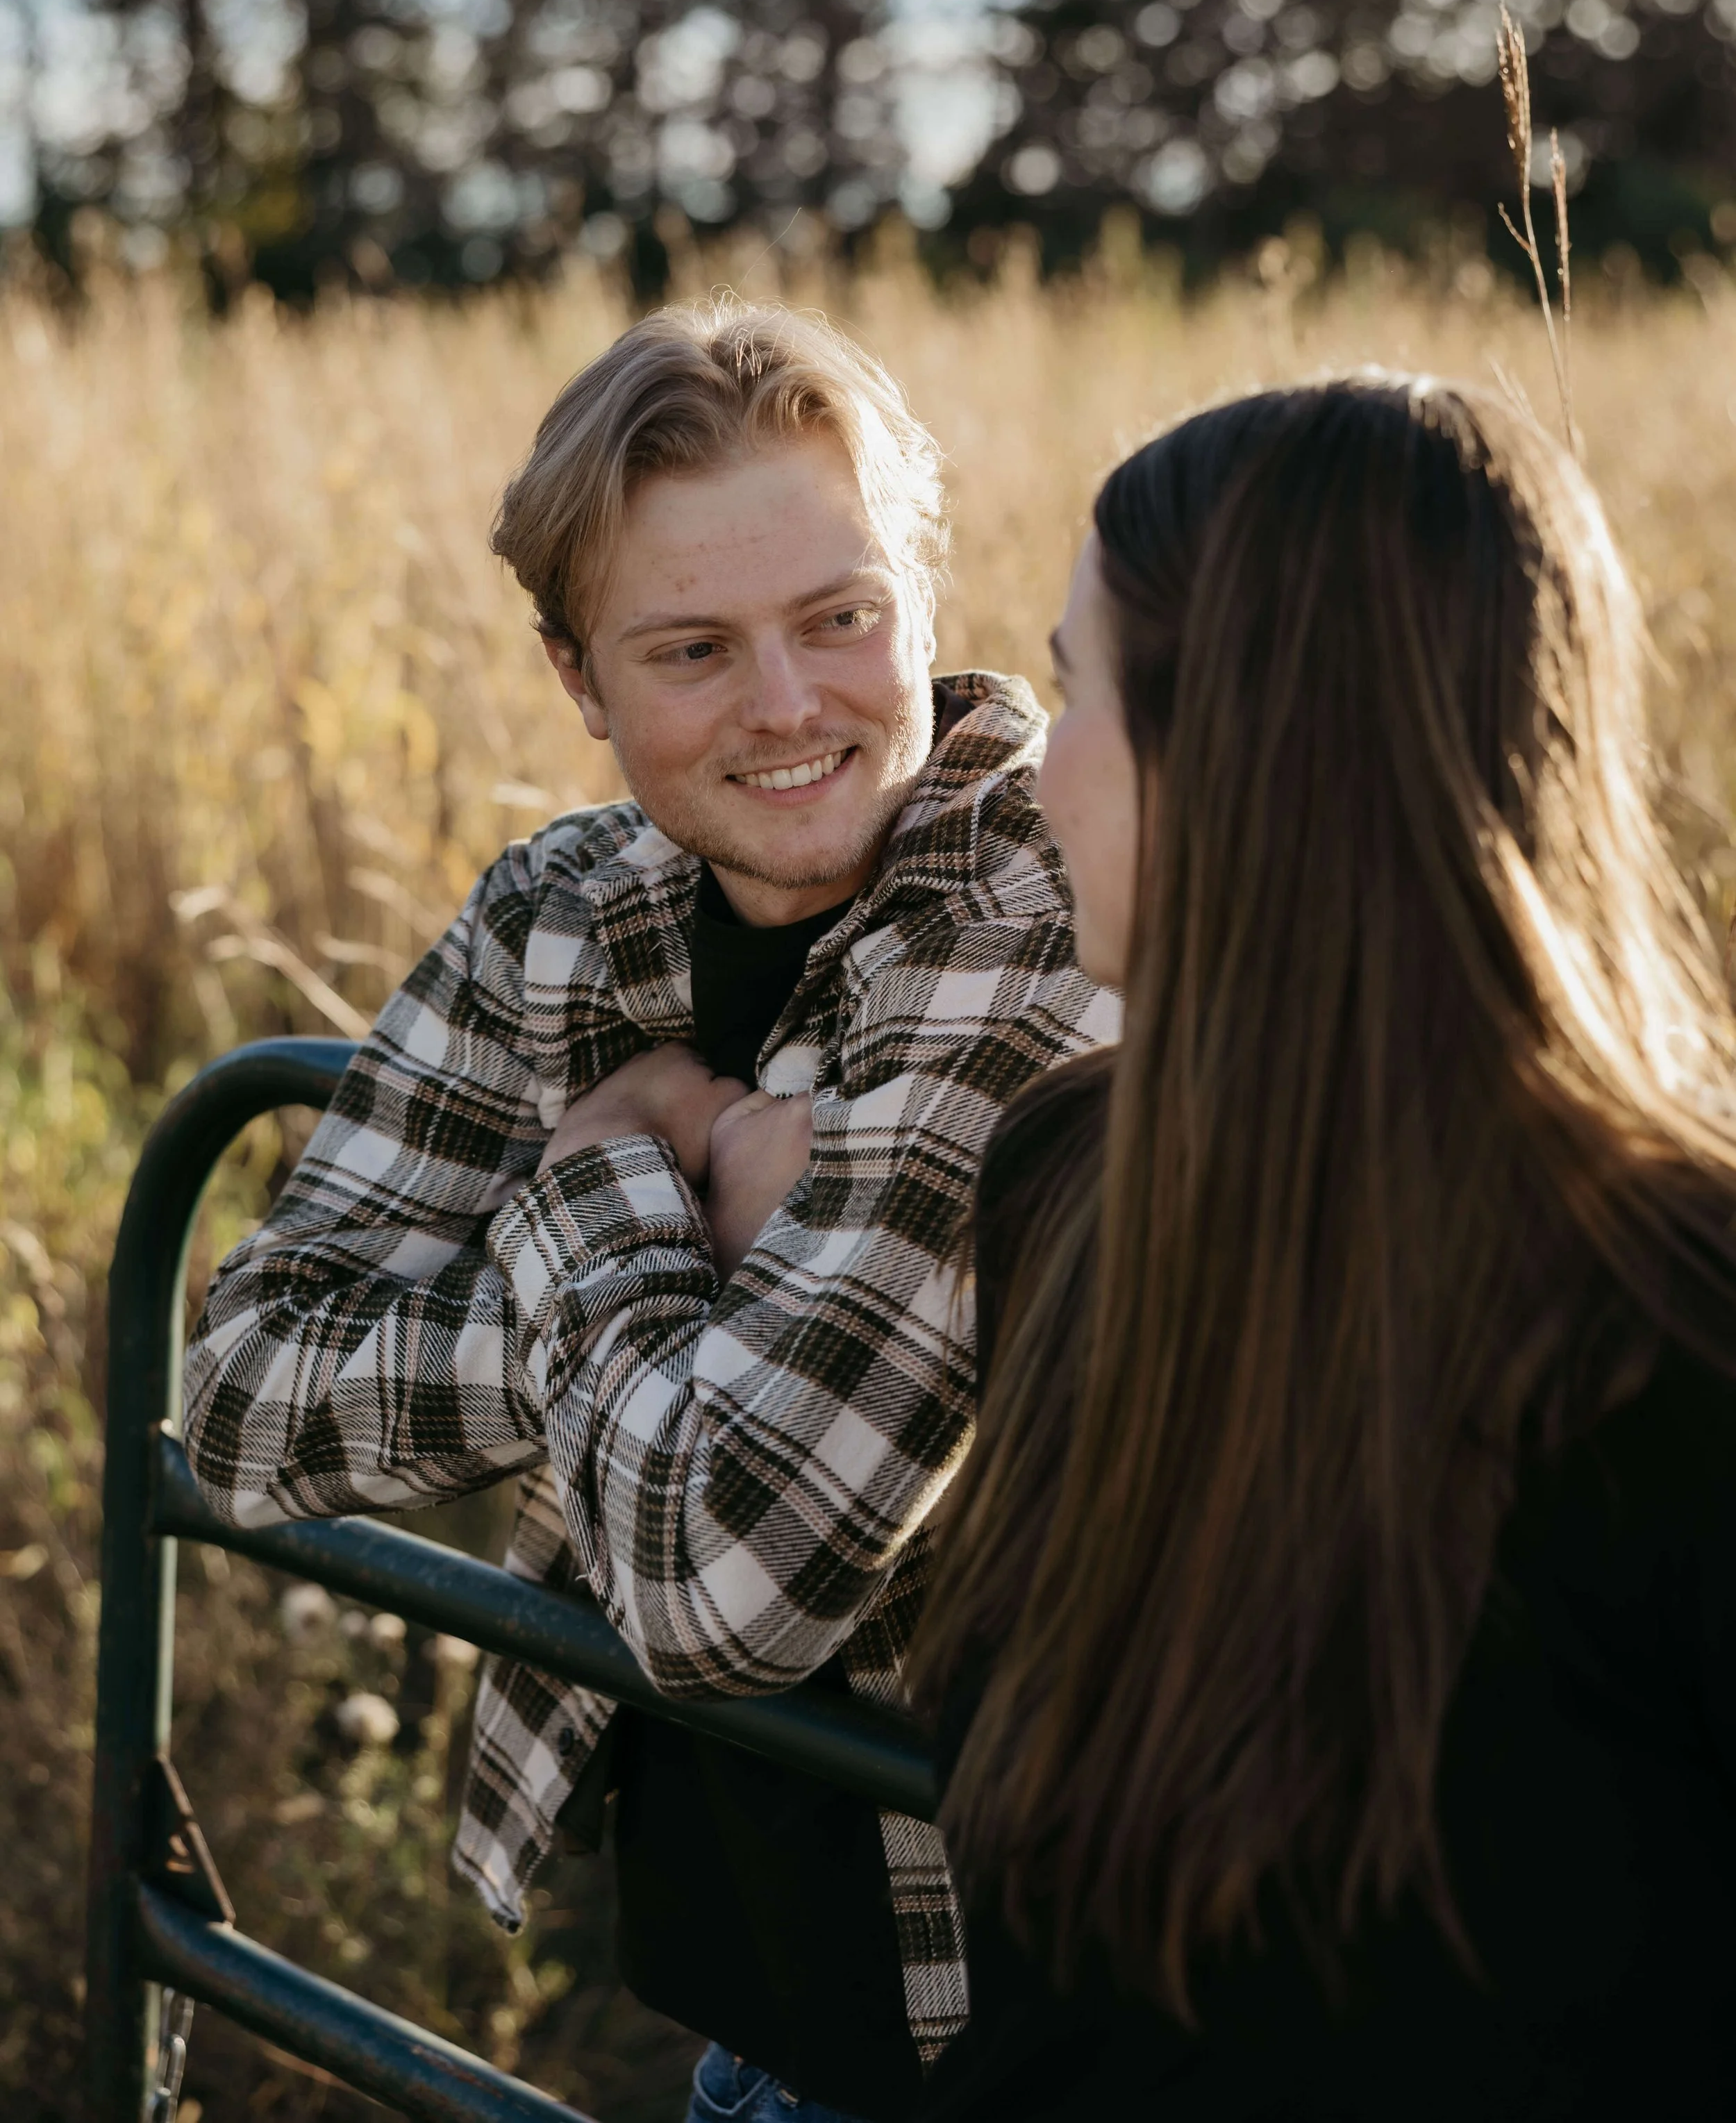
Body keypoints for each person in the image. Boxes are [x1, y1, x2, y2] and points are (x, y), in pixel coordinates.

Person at [182, 299, 1115, 2123]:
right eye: (691, 646)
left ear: (922, 590)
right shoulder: (565, 911)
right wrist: (668, 1278)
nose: (788, 705)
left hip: (1012, 2013)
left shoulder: (1047, 905)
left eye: (839, 616)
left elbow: (732, 1584)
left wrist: (607, 1172)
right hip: (738, 1993)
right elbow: (232, 1391)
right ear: (576, 679)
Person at [911, 376, 1736, 2122]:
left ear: (1250, 753)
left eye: (1074, 687)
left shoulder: (1677, 1320)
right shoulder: (1064, 1183)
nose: (1030, 772)